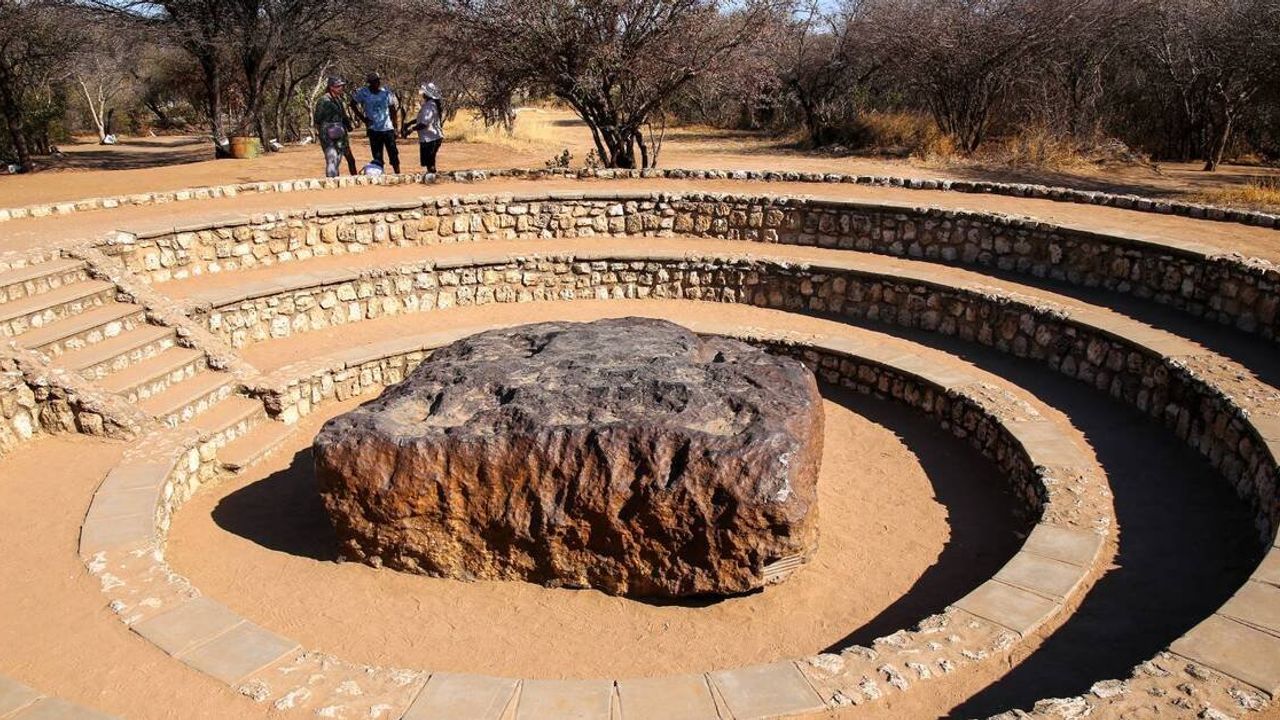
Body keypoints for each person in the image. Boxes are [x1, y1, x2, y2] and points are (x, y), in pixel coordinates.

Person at [350, 73, 401, 174]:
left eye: (378, 80)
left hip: (387, 128)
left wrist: (395, 127)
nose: (377, 83)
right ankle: (379, 174)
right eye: (374, 81)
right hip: (373, 129)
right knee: (377, 156)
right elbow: (352, 104)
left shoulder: (386, 92)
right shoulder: (363, 93)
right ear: (369, 83)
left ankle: (398, 173)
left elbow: (392, 109)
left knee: (393, 153)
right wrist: (363, 119)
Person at [313, 76, 356, 178]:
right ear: (331, 87)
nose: (341, 88)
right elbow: (317, 119)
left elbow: (343, 115)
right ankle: (331, 182)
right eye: (338, 86)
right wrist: (321, 132)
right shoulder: (323, 101)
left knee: (338, 157)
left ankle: (336, 180)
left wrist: (348, 125)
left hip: (340, 131)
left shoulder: (338, 100)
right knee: (331, 158)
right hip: (327, 132)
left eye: (341, 86)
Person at [402, 82, 445, 173]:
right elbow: (420, 119)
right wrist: (409, 123)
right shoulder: (429, 104)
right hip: (430, 137)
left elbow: (424, 123)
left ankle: (432, 178)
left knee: (430, 162)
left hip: (430, 138)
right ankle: (432, 177)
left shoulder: (429, 106)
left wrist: (411, 129)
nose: (423, 95)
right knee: (430, 161)